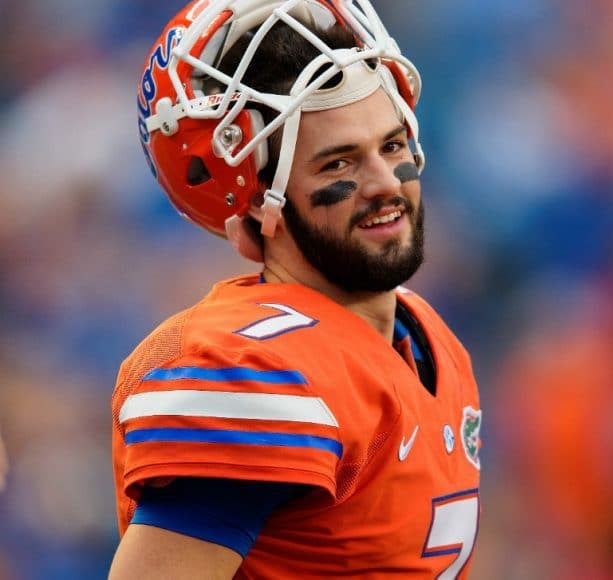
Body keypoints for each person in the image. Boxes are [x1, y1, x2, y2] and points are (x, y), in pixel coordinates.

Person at [109, 0, 482, 577]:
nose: (385, 184)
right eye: (339, 165)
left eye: (391, 146)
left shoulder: (426, 337)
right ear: (259, 197)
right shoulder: (254, 368)